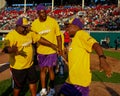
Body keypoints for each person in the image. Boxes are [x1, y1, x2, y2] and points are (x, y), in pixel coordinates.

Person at [2, 17, 58, 96]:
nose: (25, 29)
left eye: (27, 27)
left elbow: (40, 39)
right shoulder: (11, 36)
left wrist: (51, 44)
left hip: (30, 65)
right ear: (17, 26)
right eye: (23, 27)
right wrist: (13, 50)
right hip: (18, 68)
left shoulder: (29, 33)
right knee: (17, 88)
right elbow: (5, 49)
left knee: (33, 82)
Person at [58, 18, 112, 96]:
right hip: (71, 81)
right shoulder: (74, 40)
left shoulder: (81, 34)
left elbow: (96, 45)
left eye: (68, 26)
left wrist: (102, 59)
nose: (66, 29)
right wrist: (62, 54)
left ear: (76, 27)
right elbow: (71, 60)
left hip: (79, 83)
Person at [31, 4, 63, 96]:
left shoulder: (53, 22)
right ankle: (44, 89)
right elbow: (33, 38)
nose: (44, 14)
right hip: (41, 51)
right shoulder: (34, 24)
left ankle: (52, 87)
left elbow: (58, 36)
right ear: (37, 13)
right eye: (41, 12)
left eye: (44, 12)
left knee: (51, 69)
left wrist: (59, 48)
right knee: (42, 70)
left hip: (52, 51)